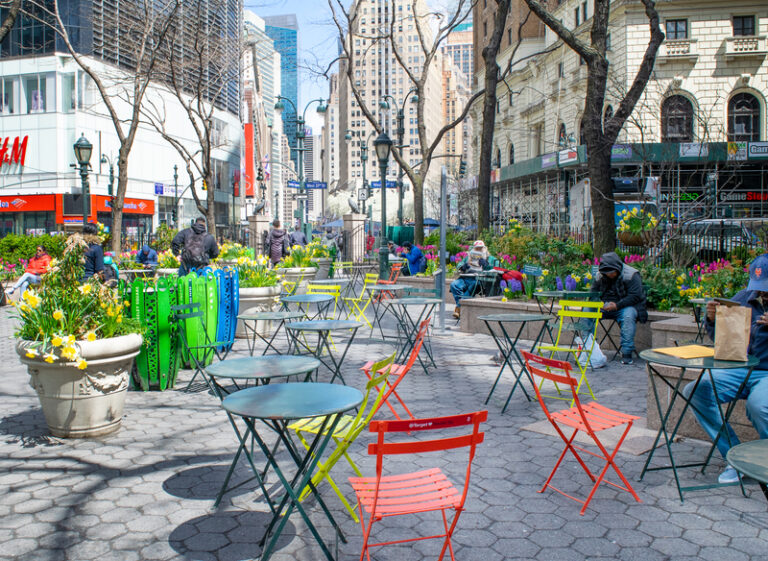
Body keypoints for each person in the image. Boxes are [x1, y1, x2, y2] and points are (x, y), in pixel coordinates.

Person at [683, 254, 768, 485]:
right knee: (695, 391)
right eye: (759, 287)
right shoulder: (742, 298)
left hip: (766, 373)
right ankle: (735, 456)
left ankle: (764, 460)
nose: (762, 293)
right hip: (739, 369)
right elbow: (722, 338)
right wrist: (712, 320)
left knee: (759, 405)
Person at [592, 252, 647, 364]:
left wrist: (617, 305)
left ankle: (626, 353)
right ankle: (587, 347)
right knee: (588, 311)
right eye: (607, 273)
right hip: (605, 306)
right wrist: (599, 304)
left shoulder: (631, 274)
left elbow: (635, 296)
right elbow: (593, 293)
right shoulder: (600, 275)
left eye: (612, 272)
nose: (610, 275)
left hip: (625, 306)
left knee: (628, 315)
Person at [450, 240, 491, 319]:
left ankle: (459, 308)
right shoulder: (468, 257)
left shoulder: (489, 258)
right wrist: (463, 266)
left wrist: (486, 265)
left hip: (478, 280)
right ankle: (461, 307)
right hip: (465, 278)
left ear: (484, 248)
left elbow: (493, 268)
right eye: (477, 249)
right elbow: (459, 265)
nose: (478, 250)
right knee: (454, 285)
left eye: (480, 248)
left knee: (472, 286)